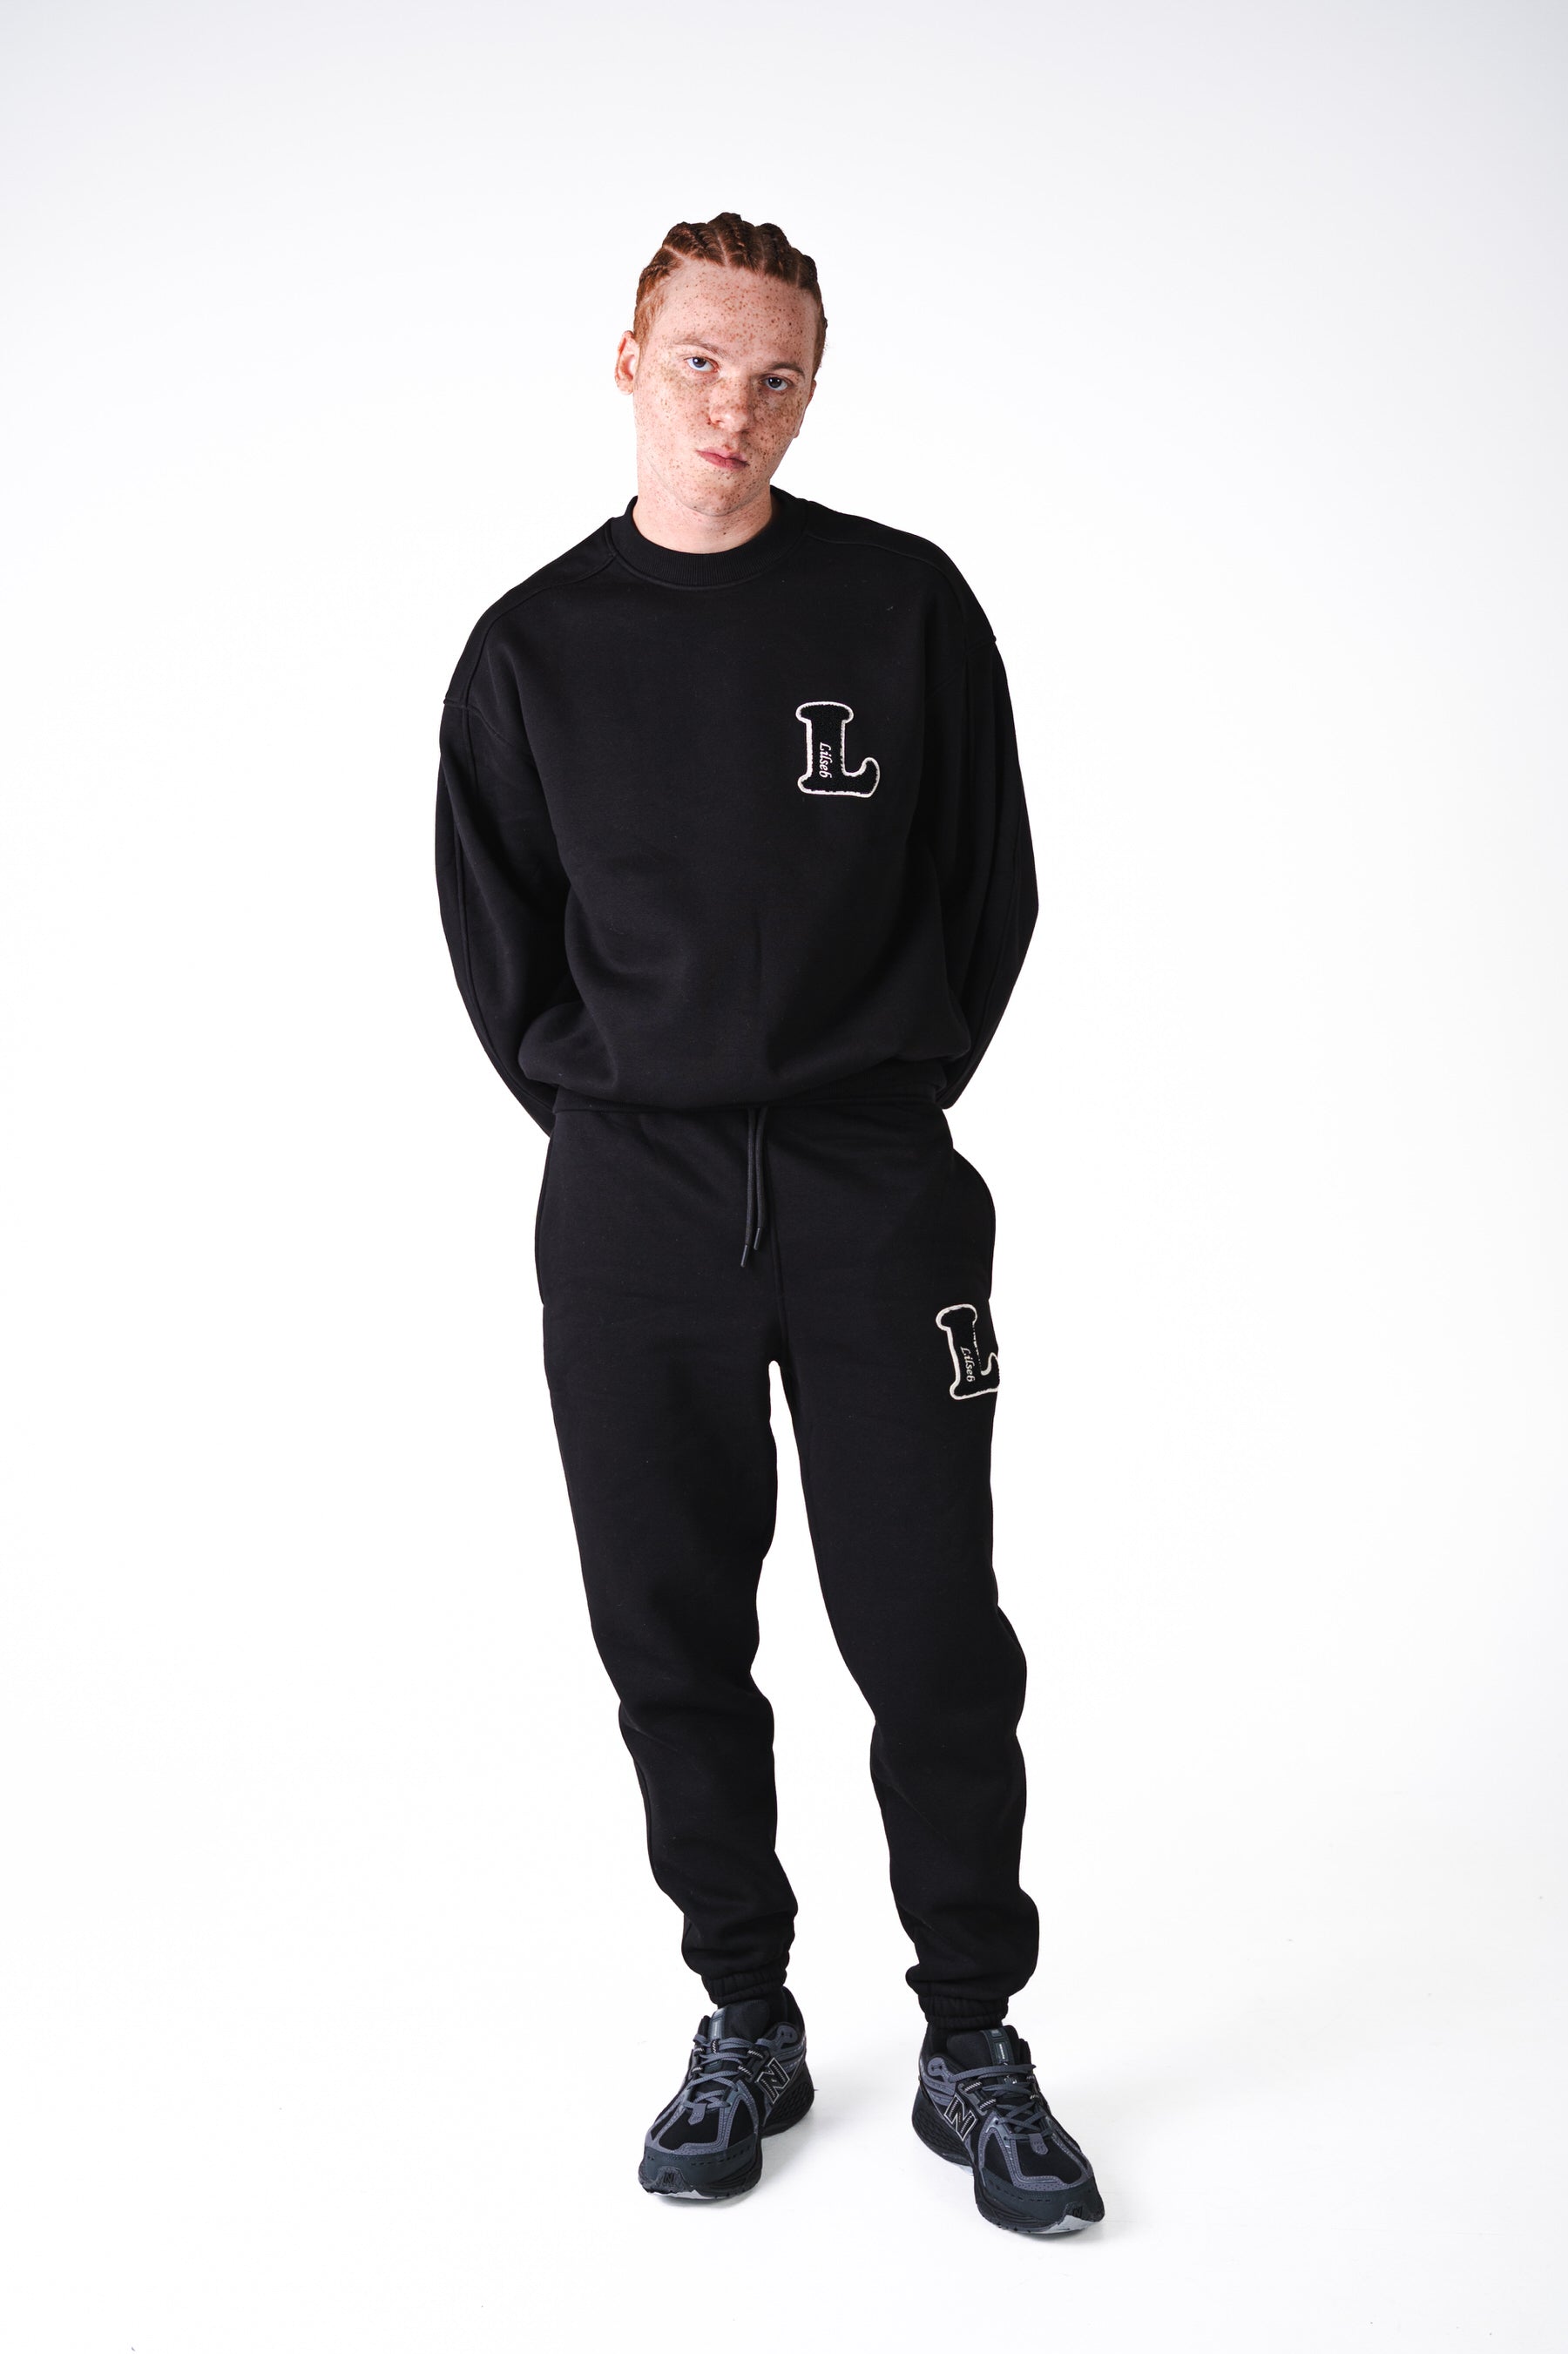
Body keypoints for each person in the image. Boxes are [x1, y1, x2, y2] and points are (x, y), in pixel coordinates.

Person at [434, 212, 1104, 2237]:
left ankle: (974, 2036)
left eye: (779, 374)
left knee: (933, 1629)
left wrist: (863, 1103)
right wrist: (638, 1112)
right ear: (629, 361)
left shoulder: (903, 609)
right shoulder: (533, 650)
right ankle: (746, 2013)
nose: (737, 407)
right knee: (670, 1634)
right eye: (703, 362)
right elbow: (503, 949)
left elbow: (989, 890)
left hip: (874, 1192)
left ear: (815, 389)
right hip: (629, 1208)